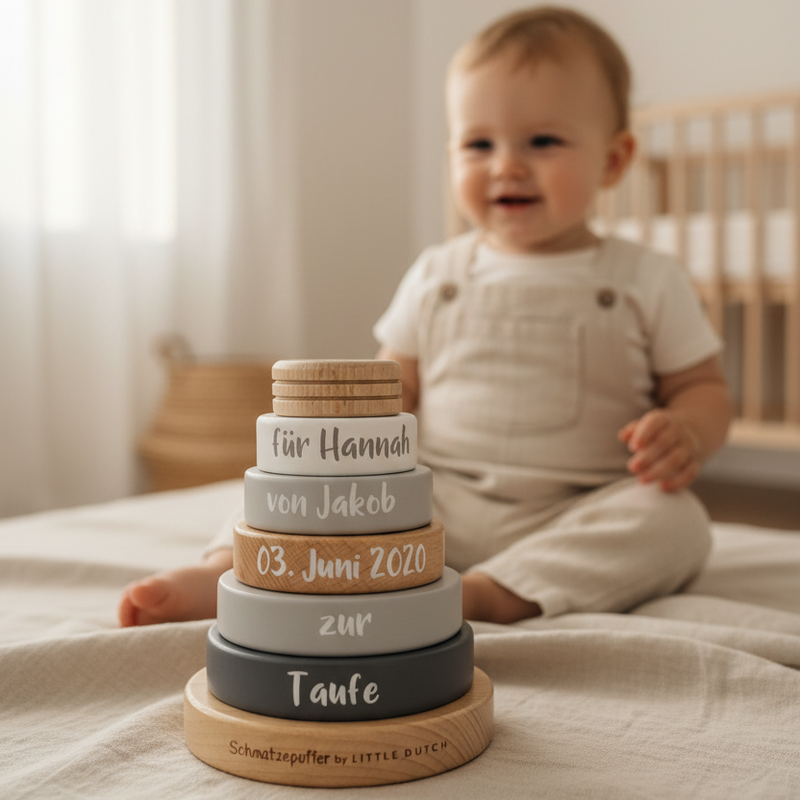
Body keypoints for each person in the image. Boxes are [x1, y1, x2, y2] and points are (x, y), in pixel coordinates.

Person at [118, 5, 732, 629]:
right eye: (478, 144)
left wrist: (685, 430)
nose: (506, 164)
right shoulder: (437, 273)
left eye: (542, 141)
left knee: (677, 522)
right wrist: (341, 461)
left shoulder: (646, 278)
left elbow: (702, 389)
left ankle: (490, 595)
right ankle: (235, 567)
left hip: (578, 507)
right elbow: (393, 388)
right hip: (433, 498)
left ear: (614, 160)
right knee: (294, 481)